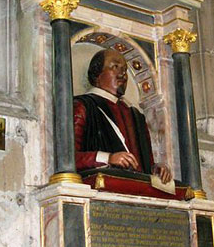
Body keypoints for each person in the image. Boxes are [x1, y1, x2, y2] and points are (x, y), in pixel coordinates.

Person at [73, 48, 172, 184]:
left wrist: (156, 169)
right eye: (115, 67)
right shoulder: (82, 106)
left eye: (124, 70)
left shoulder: (136, 116)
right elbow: (68, 158)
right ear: (97, 74)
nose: (123, 74)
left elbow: (145, 165)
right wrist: (108, 158)